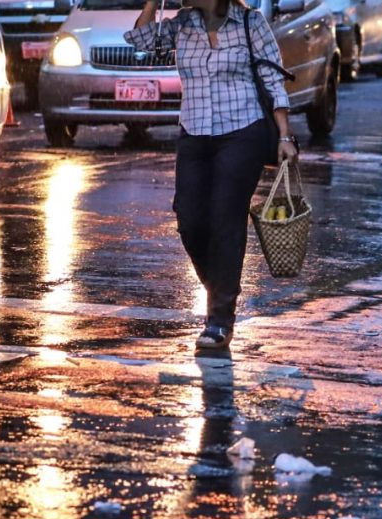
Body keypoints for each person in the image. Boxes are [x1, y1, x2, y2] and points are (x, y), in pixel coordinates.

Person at [124, 0, 298, 350]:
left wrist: (284, 136)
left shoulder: (251, 23)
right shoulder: (180, 23)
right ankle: (219, 287)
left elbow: (273, 79)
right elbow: (141, 41)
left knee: (225, 219)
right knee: (189, 218)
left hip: (242, 131)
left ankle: (220, 319)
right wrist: (151, 3)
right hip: (194, 131)